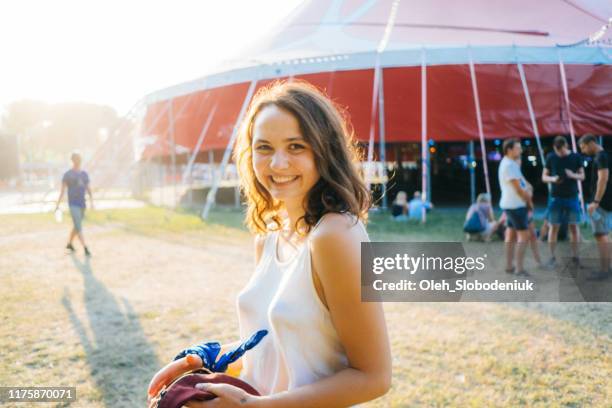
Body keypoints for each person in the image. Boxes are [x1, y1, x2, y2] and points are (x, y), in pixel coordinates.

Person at [147, 81, 392, 407]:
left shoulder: (336, 236)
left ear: (325, 151)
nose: (277, 164)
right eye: (264, 148)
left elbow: (374, 377)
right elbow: (274, 347)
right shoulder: (269, 237)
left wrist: (252, 406)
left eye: (295, 147)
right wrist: (202, 360)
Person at [541, 136, 585, 267]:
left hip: (572, 197)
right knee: (553, 227)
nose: (559, 154)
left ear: (566, 146)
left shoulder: (576, 157)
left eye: (561, 151)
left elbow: (582, 176)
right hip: (556, 198)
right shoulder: (551, 157)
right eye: (557, 151)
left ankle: (575, 257)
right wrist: (553, 179)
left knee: (574, 227)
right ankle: (551, 257)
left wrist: (572, 175)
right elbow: (544, 177)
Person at [498, 138, 533, 277]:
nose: (521, 150)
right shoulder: (509, 166)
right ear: (509, 150)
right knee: (523, 237)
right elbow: (519, 189)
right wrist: (529, 200)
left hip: (510, 204)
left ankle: (509, 265)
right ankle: (519, 268)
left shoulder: (508, 163)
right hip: (516, 205)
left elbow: (521, 184)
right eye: (518, 148)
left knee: (510, 235)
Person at [579, 134, 611, 280]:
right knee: (604, 235)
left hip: (601, 203)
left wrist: (596, 201)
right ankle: (607, 268)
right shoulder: (607, 155)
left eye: (584, 147)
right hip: (607, 202)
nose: (583, 151)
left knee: (601, 235)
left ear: (591, 143)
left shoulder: (600, 157)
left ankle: (605, 270)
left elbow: (603, 178)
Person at [55, 152, 93, 256]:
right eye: (75, 160)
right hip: (73, 204)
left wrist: (92, 201)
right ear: (72, 161)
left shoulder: (84, 174)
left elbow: (88, 189)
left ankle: (69, 244)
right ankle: (85, 247)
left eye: (78, 160)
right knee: (78, 225)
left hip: (82, 204)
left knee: (77, 226)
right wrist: (58, 204)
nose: (77, 162)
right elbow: (62, 191)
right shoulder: (67, 174)